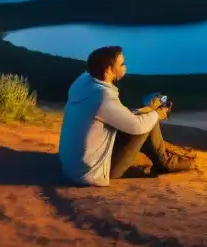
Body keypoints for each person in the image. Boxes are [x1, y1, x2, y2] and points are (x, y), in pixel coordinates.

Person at [58, 45, 195, 186]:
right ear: (109, 69)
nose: (125, 67)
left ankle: (163, 158)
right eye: (121, 64)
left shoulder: (83, 82)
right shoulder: (103, 96)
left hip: (73, 168)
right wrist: (157, 113)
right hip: (92, 173)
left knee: (145, 116)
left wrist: (148, 110)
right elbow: (137, 126)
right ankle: (166, 162)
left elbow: (117, 116)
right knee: (148, 120)